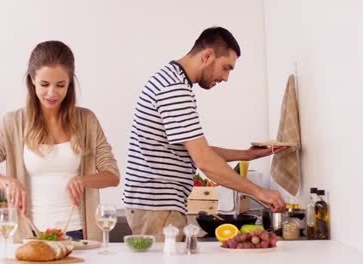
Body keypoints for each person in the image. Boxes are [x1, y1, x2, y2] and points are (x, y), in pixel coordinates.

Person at [123, 27, 288, 242]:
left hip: (153, 207)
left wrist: (248, 155)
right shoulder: (175, 90)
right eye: (225, 67)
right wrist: (259, 192)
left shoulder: (171, 81)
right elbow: (204, 161)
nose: (226, 77)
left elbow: (194, 150)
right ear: (208, 55)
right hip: (158, 207)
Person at [0, 40, 120, 242]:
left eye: (60, 85)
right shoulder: (12, 123)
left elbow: (112, 175)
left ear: (70, 83)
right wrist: (8, 182)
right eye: (44, 84)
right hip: (30, 234)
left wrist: (83, 180)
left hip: (79, 234)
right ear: (32, 80)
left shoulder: (87, 121)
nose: (52, 93)